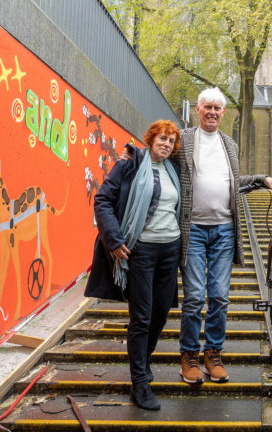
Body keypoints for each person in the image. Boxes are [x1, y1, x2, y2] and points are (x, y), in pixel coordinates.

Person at [121, 88, 272, 384]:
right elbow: (159, 153)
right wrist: (134, 155)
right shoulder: (183, 139)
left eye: (217, 108)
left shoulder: (229, 144)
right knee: (195, 297)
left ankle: (213, 354)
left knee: (220, 297)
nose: (212, 112)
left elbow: (234, 183)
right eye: (207, 107)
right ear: (198, 109)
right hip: (193, 229)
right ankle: (189, 356)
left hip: (224, 230)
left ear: (223, 113)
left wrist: (263, 180)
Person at [85, 120, 183, 411]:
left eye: (172, 141)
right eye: (162, 138)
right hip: (139, 250)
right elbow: (102, 200)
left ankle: (143, 360)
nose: (166, 144)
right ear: (151, 139)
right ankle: (139, 383)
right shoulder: (129, 164)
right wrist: (114, 239)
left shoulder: (174, 170)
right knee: (141, 318)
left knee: (162, 312)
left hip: (170, 249)